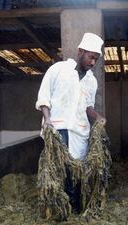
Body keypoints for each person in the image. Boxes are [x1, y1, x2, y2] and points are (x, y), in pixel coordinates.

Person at [35, 32, 106, 213]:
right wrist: (47, 120)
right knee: (57, 170)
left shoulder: (91, 81)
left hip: (79, 132)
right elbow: (44, 97)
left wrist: (97, 117)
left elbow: (87, 107)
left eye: (96, 59)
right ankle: (58, 208)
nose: (92, 62)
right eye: (91, 57)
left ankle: (74, 207)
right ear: (80, 51)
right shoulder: (58, 70)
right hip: (57, 129)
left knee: (76, 172)